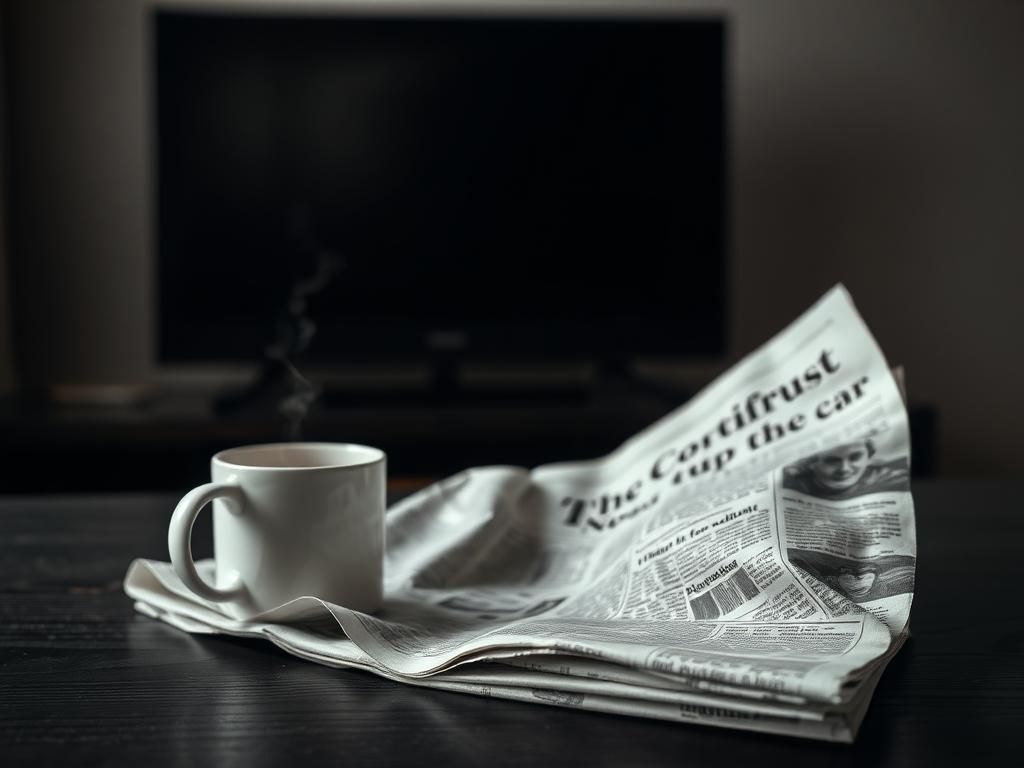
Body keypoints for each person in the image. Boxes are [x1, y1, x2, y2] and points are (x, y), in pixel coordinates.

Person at [783, 439, 908, 500]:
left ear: (869, 456)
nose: (844, 469)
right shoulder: (792, 484)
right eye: (832, 460)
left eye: (855, 457)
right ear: (810, 463)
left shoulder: (890, 478)